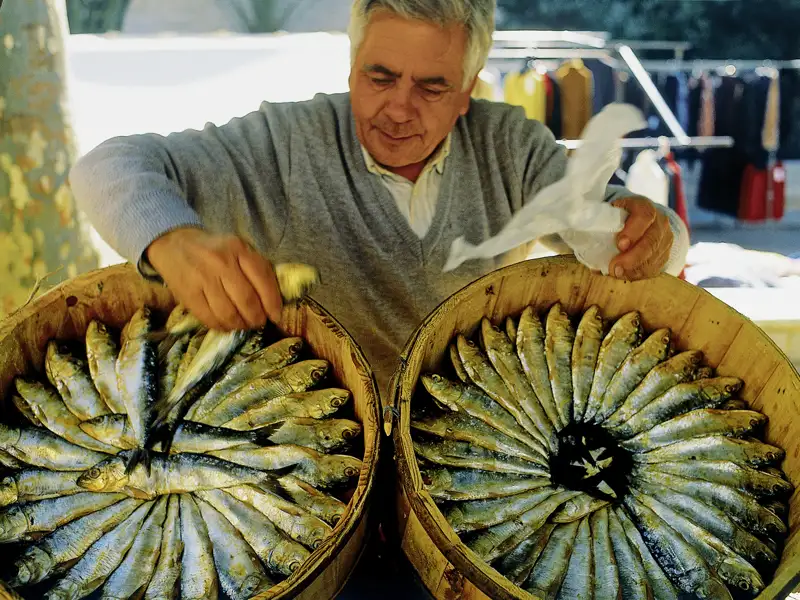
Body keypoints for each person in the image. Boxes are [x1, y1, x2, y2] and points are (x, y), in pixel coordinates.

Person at [70, 0, 689, 397]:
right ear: (350, 67)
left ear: (469, 89)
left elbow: (615, 232)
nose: (398, 108)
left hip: (471, 438)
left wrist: (653, 231)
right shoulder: (285, 141)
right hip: (318, 439)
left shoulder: (512, 149)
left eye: (431, 87)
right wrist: (172, 241)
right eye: (380, 77)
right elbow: (108, 166)